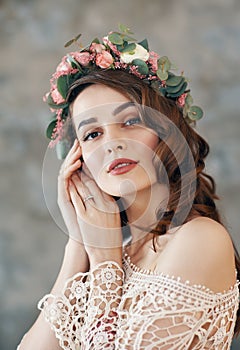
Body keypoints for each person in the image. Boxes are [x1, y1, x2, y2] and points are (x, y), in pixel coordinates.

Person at [18, 25, 240, 349]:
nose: (114, 144)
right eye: (93, 134)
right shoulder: (109, 252)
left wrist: (106, 266)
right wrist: (79, 243)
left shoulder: (200, 239)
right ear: (79, 163)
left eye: (131, 121)